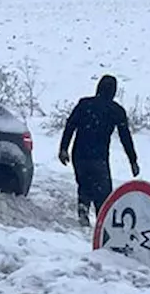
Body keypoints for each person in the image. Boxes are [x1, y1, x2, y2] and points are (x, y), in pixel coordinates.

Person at [58, 74, 139, 227]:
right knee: (103, 193)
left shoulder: (84, 104)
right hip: (98, 158)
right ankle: (102, 222)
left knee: (84, 184)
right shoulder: (116, 111)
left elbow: (70, 126)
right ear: (114, 92)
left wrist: (63, 148)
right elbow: (125, 137)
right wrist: (133, 160)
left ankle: (83, 208)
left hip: (79, 155)